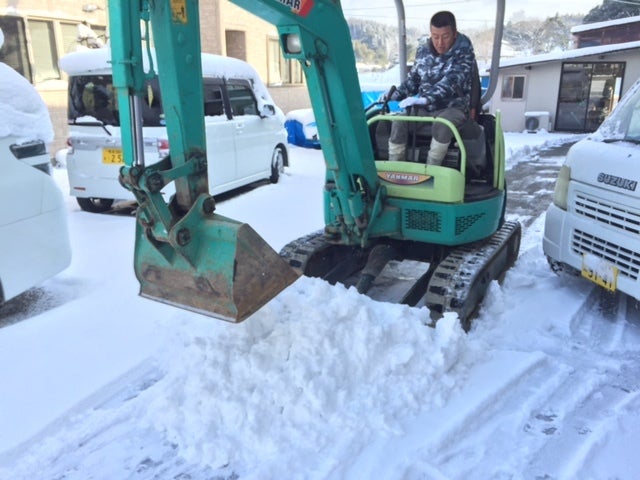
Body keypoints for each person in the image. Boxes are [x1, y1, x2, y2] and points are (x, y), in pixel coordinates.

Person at [386, 11, 476, 165]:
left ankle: (432, 168)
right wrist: (393, 95)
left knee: (443, 124)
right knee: (399, 120)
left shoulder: (464, 52)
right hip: (425, 108)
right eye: (435, 36)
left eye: (445, 36)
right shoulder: (423, 51)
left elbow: (452, 81)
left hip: (452, 107)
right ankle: (395, 166)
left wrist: (424, 99)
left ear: (454, 33)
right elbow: (414, 80)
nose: (440, 42)